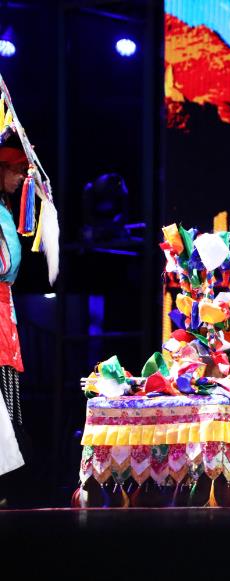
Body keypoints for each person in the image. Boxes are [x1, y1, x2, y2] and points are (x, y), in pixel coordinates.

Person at [0, 74, 60, 506]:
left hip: (4, 311)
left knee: (10, 399)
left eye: (24, 171)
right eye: (17, 171)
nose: (23, 178)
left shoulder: (4, 210)